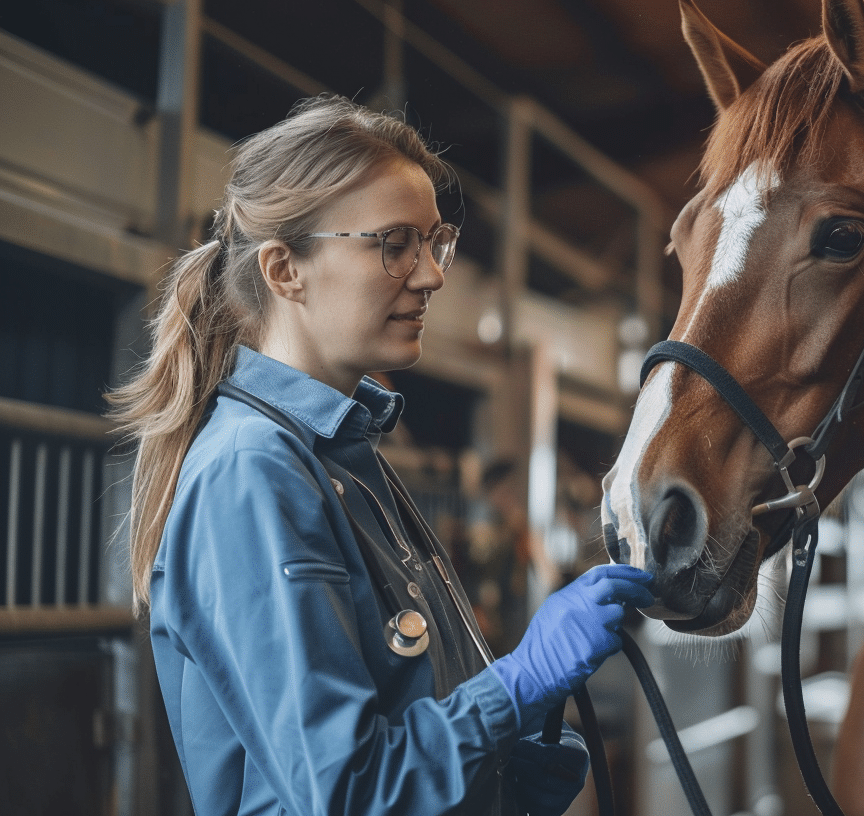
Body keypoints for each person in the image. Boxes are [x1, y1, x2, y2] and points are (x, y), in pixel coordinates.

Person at [108, 95, 654, 816]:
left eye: (435, 242)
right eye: (395, 242)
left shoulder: (344, 459)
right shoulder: (253, 471)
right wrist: (518, 686)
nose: (430, 275)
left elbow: (391, 720)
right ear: (284, 269)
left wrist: (496, 773)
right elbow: (345, 790)